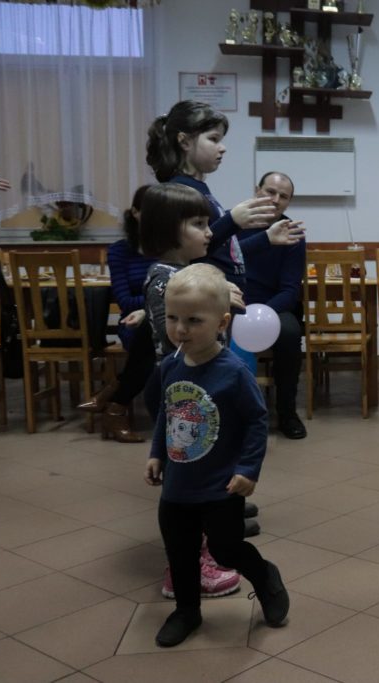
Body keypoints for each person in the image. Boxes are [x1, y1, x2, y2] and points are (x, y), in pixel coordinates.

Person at [144, 263, 289, 647]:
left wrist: (248, 469)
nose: (180, 329)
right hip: (177, 486)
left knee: (226, 549)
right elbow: (167, 414)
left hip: (221, 485)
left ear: (222, 323)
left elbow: (257, 421)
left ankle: (264, 576)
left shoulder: (233, 372)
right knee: (180, 551)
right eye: (172, 318)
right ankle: (186, 611)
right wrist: (157, 453)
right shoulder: (170, 366)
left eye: (193, 320)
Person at [138, 182, 249, 599]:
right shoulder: (166, 281)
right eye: (199, 224)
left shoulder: (179, 276)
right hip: (181, 393)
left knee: (203, 473)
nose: (209, 232)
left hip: (193, 392)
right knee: (187, 484)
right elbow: (179, 345)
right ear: (170, 230)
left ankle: (201, 552)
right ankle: (184, 568)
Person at [145, 100, 302, 292]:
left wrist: (265, 238)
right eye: (213, 139)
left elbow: (222, 251)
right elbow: (190, 253)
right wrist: (232, 221)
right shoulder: (180, 191)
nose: (222, 147)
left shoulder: (199, 188)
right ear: (185, 142)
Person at [78, 185, 156, 443]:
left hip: (165, 320)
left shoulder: (171, 247)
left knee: (155, 335)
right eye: (151, 211)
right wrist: (158, 297)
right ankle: (115, 405)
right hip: (132, 322)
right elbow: (125, 301)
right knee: (148, 337)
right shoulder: (120, 250)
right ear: (135, 213)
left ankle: (112, 398)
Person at [244, 172, 308, 439]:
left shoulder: (292, 233)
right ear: (256, 190)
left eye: (283, 196)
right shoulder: (233, 222)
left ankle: (287, 412)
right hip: (232, 302)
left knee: (291, 332)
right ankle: (229, 412)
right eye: (270, 191)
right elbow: (224, 258)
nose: (275, 199)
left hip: (273, 306)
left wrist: (263, 314)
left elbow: (290, 289)